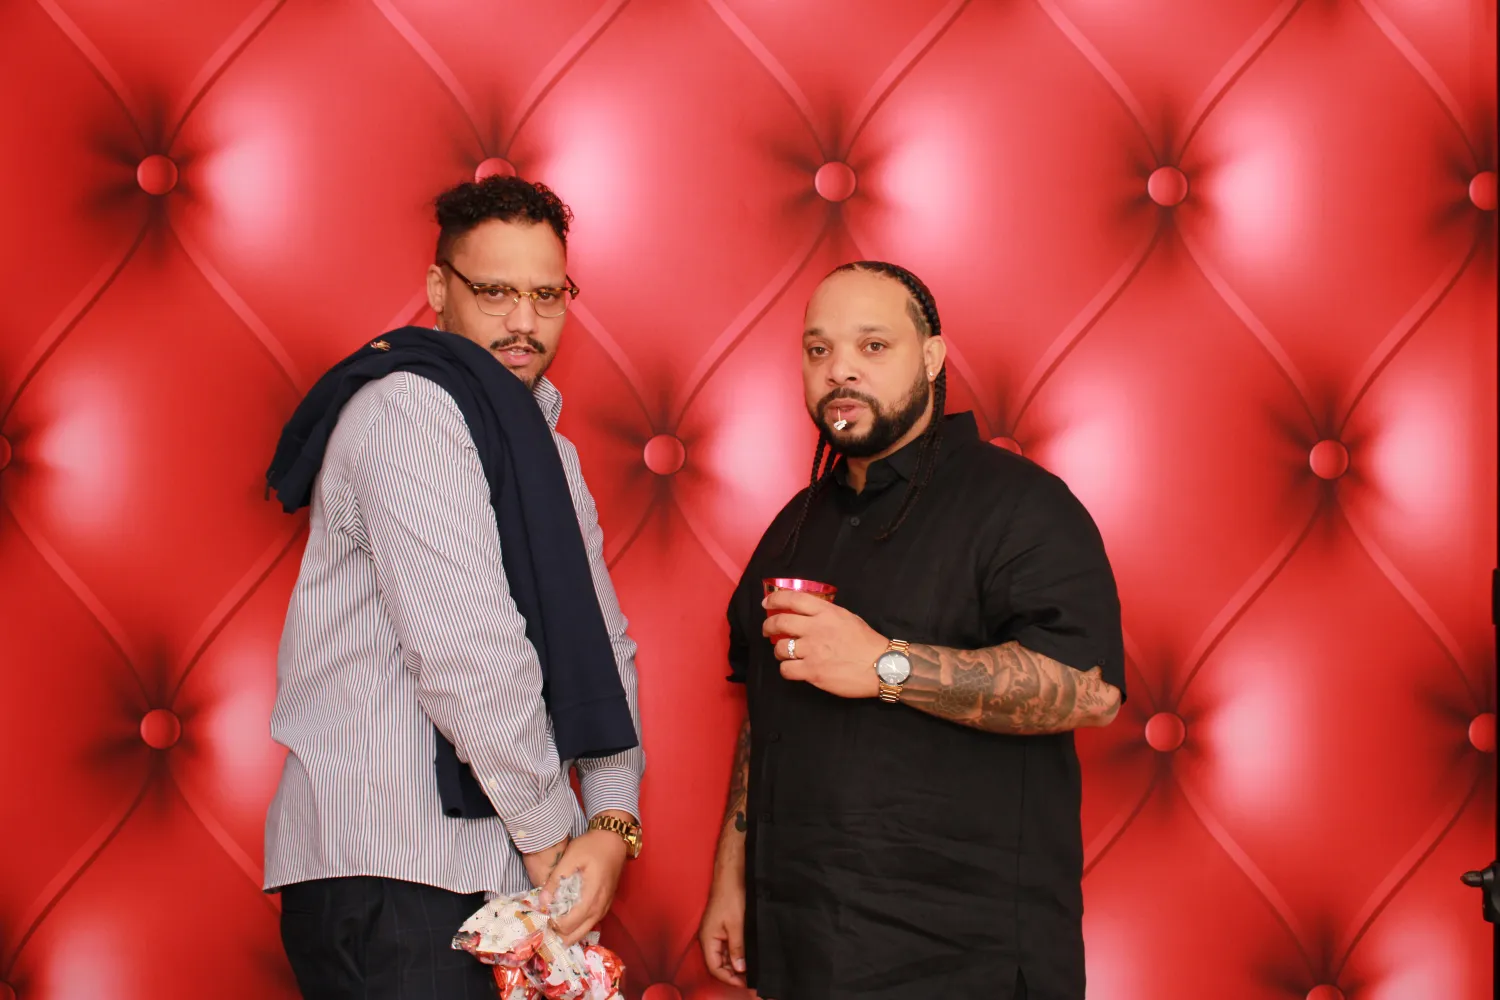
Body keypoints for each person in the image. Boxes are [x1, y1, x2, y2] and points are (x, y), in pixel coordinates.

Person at [697, 261, 1125, 1000]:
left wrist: (886, 665)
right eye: (818, 350)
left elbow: (1090, 692)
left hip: (965, 958)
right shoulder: (793, 526)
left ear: (931, 357)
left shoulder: (1021, 506)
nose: (840, 372)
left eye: (873, 347)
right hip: (801, 947)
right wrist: (730, 881)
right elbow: (762, 718)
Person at [262, 175, 645, 999]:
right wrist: (557, 847)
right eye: (496, 290)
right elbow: (466, 651)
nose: (523, 321)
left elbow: (604, 645)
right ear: (440, 290)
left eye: (547, 295)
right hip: (396, 872)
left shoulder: (549, 454)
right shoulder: (411, 412)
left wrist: (613, 824)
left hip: (497, 877)